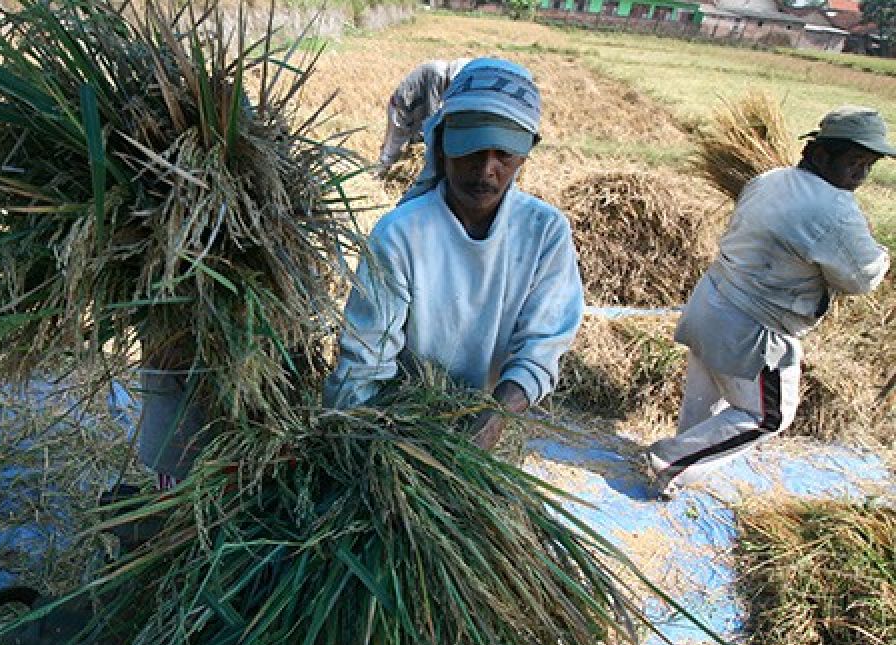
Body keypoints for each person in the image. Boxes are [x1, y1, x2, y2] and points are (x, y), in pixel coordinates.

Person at [327, 57, 584, 453]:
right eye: (471, 151)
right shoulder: (402, 234)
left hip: (493, 419)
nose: (486, 170)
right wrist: (362, 443)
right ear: (442, 141)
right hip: (399, 422)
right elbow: (365, 359)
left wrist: (494, 420)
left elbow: (541, 346)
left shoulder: (545, 233)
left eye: (504, 154)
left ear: (526, 152)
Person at [645, 106, 891, 498]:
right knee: (767, 416)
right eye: (854, 162)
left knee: (703, 397)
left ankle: (672, 477)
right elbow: (861, 279)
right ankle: (669, 461)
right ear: (821, 153)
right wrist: (882, 255)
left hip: (711, 300)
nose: (860, 174)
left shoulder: (769, 179)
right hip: (754, 327)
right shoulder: (835, 210)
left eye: (868, 165)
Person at [377, 58, 471, 175]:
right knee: (392, 149)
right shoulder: (437, 74)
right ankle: (378, 176)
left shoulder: (445, 78)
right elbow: (432, 113)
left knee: (416, 144)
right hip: (402, 109)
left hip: (417, 108)